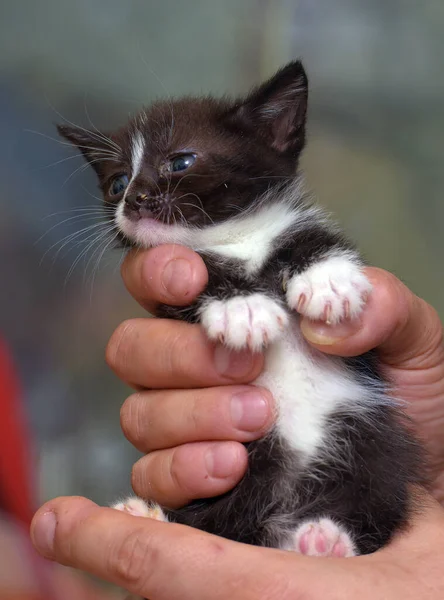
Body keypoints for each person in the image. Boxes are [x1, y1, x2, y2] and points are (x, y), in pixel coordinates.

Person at [31, 245, 444, 599]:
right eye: (118, 184)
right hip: (305, 503)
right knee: (227, 471)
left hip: (354, 506)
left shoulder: (303, 254)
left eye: (181, 164)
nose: (136, 198)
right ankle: (188, 532)